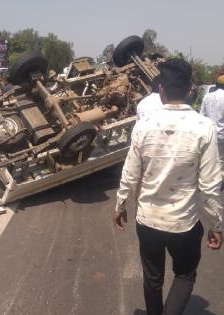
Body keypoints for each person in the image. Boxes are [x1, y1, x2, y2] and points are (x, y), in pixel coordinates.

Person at [114, 58, 223, 315]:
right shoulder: (203, 127)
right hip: (183, 224)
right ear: (190, 90)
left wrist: (119, 204)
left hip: (148, 220)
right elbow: (210, 185)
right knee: (185, 275)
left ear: (160, 89)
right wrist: (215, 225)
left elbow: (130, 173)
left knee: (153, 278)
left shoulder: (143, 126)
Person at [200, 74, 224, 171]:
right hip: (222, 135)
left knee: (208, 160)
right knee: (220, 160)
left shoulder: (207, 97)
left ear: (216, 85)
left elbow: (202, 115)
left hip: (208, 134)